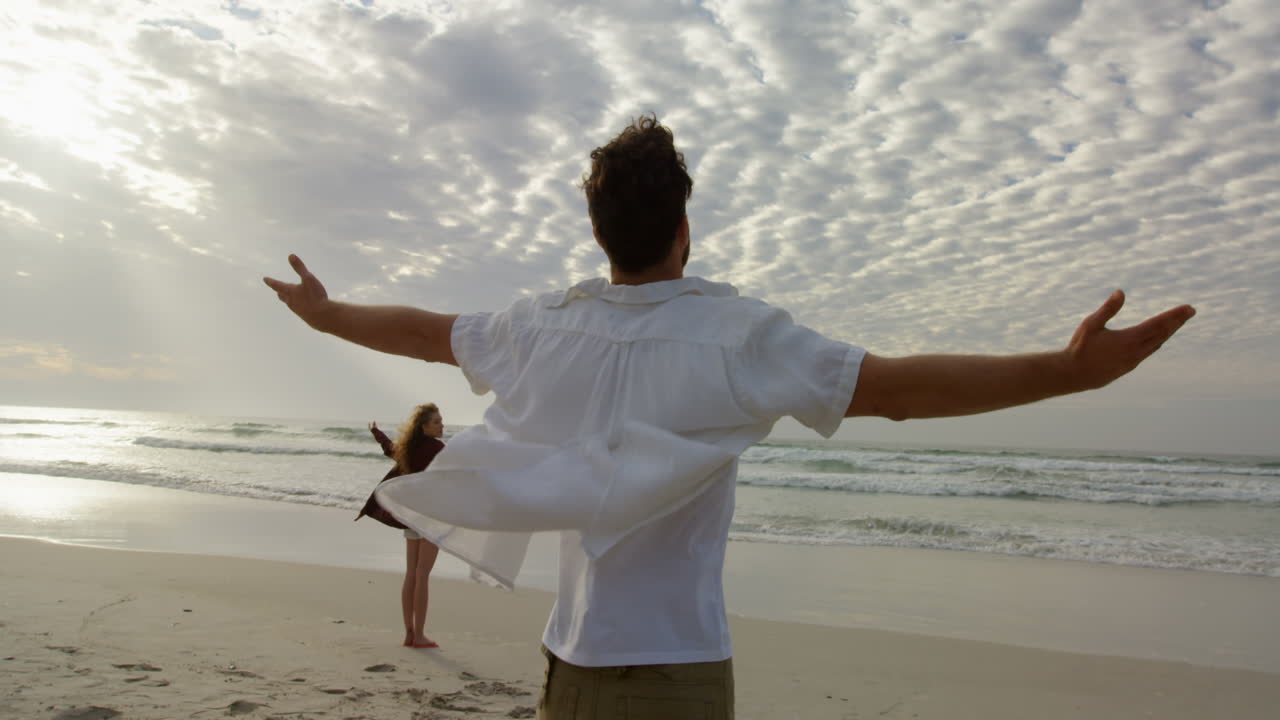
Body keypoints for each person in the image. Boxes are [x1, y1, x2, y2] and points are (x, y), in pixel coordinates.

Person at [264, 114, 1195, 719]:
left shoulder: (541, 330)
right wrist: (1066, 373)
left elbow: (428, 333)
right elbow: (902, 391)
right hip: (677, 671)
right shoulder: (735, 336)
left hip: (568, 667)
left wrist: (326, 313)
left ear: (600, 232)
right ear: (684, 227)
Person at [356, 403, 446, 649]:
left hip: (412, 515)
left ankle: (409, 634)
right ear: (424, 426)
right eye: (436, 422)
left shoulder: (409, 448)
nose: (442, 425)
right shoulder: (438, 448)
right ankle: (419, 635)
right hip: (430, 518)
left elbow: (390, 449)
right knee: (423, 575)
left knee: (412, 574)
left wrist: (377, 433)